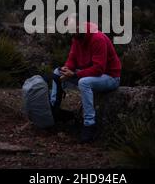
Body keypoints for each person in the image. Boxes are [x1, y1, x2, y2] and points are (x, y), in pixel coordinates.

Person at [50, 15, 121, 143]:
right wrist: (66, 69)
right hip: (92, 75)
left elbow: (99, 69)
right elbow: (72, 60)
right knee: (57, 72)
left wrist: (75, 75)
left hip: (110, 77)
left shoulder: (97, 38)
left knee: (83, 82)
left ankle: (89, 125)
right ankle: (54, 110)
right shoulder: (77, 38)